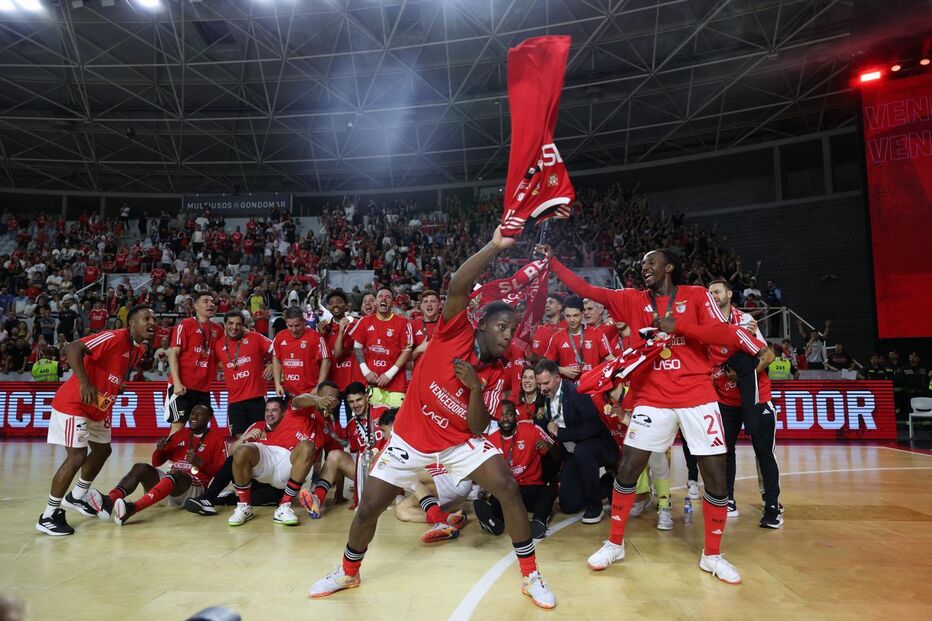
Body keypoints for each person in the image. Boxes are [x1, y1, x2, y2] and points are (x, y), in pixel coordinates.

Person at [308, 228, 556, 609]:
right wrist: (494, 245)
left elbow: (476, 428)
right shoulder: (453, 330)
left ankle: (530, 576)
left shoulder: (497, 370)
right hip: (410, 439)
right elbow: (458, 284)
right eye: (501, 327)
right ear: (484, 325)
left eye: (511, 328)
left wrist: (474, 387)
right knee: (370, 506)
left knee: (506, 486)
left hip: (458, 443)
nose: (508, 335)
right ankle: (347, 572)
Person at [540, 243, 752, 584]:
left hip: (697, 395)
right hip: (651, 396)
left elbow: (724, 334)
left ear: (669, 267)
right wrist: (553, 262)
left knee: (715, 475)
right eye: (641, 264)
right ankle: (614, 544)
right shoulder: (631, 299)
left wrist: (678, 326)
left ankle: (713, 555)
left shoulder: (696, 295)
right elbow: (586, 289)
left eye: (650, 262)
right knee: (627, 468)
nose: (644, 268)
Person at [36, 305, 155, 536]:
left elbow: (117, 372)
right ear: (132, 324)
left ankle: (78, 495)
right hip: (76, 403)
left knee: (103, 450)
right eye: (146, 318)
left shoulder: (137, 350)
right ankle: (48, 514)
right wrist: (83, 382)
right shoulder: (113, 337)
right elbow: (72, 348)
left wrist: (119, 384)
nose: (152, 322)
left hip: (99, 407)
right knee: (77, 456)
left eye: (154, 319)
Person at [707, 279, 781, 527]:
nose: (713, 296)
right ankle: (727, 500)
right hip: (725, 401)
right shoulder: (706, 325)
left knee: (764, 453)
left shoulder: (746, 322)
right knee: (724, 452)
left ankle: (772, 505)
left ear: (729, 293)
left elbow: (767, 355)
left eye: (716, 291)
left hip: (756, 398)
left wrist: (744, 375)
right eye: (709, 293)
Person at [94, 404, 227, 525]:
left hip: (194, 489)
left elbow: (223, 474)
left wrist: (199, 463)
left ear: (209, 418)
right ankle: (109, 502)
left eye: (199, 414)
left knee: (174, 473)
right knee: (140, 467)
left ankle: (132, 509)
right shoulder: (180, 434)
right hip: (169, 485)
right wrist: (160, 449)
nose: (193, 416)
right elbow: (156, 462)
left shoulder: (217, 439)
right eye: (192, 413)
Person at [227, 387, 339, 527]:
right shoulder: (305, 409)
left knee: (308, 446)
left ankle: (284, 507)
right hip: (270, 453)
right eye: (326, 397)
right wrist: (317, 401)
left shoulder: (332, 428)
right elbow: (298, 400)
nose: (330, 401)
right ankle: (244, 506)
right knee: (242, 451)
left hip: (291, 467)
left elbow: (335, 458)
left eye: (333, 399)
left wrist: (339, 494)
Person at [534, 358, 617, 523]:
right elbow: (544, 419)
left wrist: (562, 433)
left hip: (595, 445)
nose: (542, 388)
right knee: (568, 505)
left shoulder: (576, 392)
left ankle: (595, 507)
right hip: (572, 452)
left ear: (558, 378)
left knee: (583, 451)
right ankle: (608, 483)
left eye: (546, 383)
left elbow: (594, 426)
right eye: (540, 384)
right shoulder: (543, 395)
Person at [300, 382, 390, 518]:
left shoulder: (384, 411)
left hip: (388, 466)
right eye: (351, 402)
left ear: (366, 397)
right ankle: (316, 500)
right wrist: (339, 493)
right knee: (334, 454)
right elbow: (353, 459)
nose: (356, 405)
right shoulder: (350, 426)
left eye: (359, 399)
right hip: (367, 470)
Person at [475, 400, 559, 540]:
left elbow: (558, 457)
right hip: (508, 490)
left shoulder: (531, 430)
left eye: (509, 414)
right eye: (501, 415)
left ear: (516, 416)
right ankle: (494, 523)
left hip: (532, 487)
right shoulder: (490, 441)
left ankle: (538, 522)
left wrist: (549, 447)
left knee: (547, 493)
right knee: (496, 499)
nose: (505, 418)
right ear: (496, 418)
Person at [167, 292, 224, 435]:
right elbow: (173, 354)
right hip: (182, 386)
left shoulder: (218, 330)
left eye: (212, 302)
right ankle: (168, 458)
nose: (210, 304)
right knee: (178, 427)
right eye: (205, 301)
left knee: (201, 428)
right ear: (196, 307)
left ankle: (194, 457)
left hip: (203, 389)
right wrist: (177, 382)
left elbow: (221, 358)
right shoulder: (185, 325)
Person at [347, 287, 413, 407]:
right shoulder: (364, 322)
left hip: (396, 386)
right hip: (371, 383)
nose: (384, 299)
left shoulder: (403, 323)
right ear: (376, 302)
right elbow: (357, 348)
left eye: (387, 297)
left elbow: (407, 351)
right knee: (372, 423)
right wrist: (366, 372)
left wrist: (389, 374)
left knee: (395, 423)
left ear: (392, 303)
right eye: (380, 296)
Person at [214, 311, 273, 436]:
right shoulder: (218, 344)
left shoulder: (255, 337)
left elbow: (278, 348)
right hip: (235, 401)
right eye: (230, 323)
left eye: (238, 324)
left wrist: (273, 365)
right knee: (240, 440)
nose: (234, 327)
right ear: (224, 325)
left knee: (261, 437)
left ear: (243, 326)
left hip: (257, 398)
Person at [544, 295, 613, 380]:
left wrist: (598, 374)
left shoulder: (597, 334)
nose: (572, 320)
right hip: (568, 388)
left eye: (576, 315)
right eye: (568, 316)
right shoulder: (556, 337)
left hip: (592, 388)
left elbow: (611, 360)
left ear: (582, 313)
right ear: (563, 315)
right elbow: (546, 365)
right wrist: (562, 370)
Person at [272, 306, 330, 399]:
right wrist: (277, 384)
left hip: (311, 393)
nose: (294, 330)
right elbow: (276, 359)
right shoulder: (280, 337)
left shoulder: (316, 337)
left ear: (304, 322)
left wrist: (319, 386)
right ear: (286, 323)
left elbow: (326, 360)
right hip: (288, 393)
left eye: (297, 325)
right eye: (290, 326)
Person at [528, 295, 565, 363]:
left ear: (559, 307)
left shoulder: (567, 328)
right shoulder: (540, 329)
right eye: (546, 303)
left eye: (551, 302)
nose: (546, 305)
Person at [411, 289, 441, 364]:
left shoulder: (447, 324)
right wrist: (419, 349)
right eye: (425, 301)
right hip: (419, 374)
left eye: (433, 301)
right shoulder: (412, 325)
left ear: (439, 305)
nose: (429, 304)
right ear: (421, 306)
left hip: (442, 372)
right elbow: (406, 361)